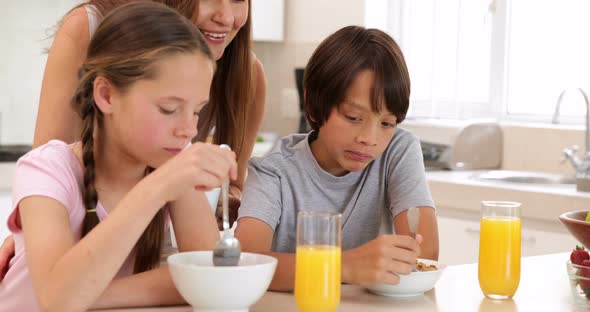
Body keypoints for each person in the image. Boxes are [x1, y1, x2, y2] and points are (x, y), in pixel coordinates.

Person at [0, 0, 265, 278]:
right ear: (105, 95)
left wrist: (214, 199)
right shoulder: (88, 28)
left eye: (197, 110)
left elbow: (211, 276)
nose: (225, 16)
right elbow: (45, 188)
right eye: (168, 109)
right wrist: (38, 232)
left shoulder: (243, 77)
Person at [234, 26, 439, 291]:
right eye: (354, 118)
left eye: (387, 123)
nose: (370, 138)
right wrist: (345, 266)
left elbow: (424, 256)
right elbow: (247, 266)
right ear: (313, 105)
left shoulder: (398, 150)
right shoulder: (275, 170)